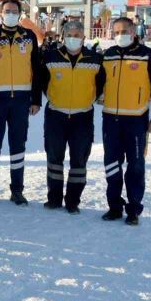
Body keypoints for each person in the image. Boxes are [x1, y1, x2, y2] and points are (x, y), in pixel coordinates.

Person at [101, 17, 151, 225]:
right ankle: (114, 206)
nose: (121, 35)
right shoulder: (108, 55)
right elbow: (96, 82)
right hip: (111, 119)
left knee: (136, 166)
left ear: (133, 31)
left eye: (125, 31)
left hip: (136, 121)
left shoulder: (148, 55)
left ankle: (133, 209)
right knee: (112, 164)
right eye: (117, 31)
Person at [0, 0, 42, 206]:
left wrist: (36, 99)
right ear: (1, 13)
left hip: (22, 101)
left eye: (14, 11)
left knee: (18, 145)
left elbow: (37, 70)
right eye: (7, 11)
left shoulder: (29, 36)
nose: (10, 14)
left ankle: (17, 190)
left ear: (20, 14)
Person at [39, 21, 105, 214]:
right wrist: (52, 97)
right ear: (63, 36)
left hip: (82, 117)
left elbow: (101, 84)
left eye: (78, 34)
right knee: (54, 158)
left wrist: (89, 99)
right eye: (70, 34)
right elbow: (42, 82)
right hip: (55, 115)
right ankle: (54, 198)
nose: (73, 38)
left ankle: (73, 201)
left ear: (84, 38)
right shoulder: (50, 57)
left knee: (79, 160)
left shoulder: (95, 59)